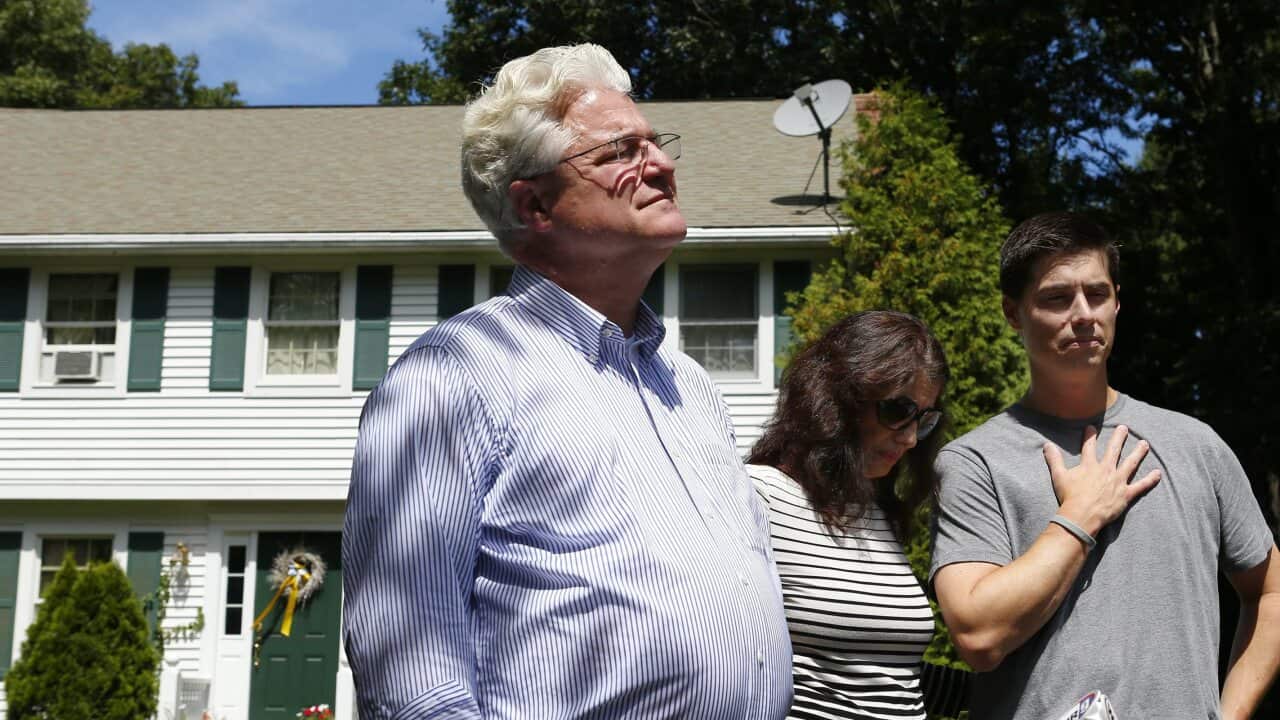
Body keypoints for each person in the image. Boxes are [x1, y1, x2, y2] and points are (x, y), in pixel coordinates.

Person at [341, 44, 792, 720]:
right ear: (535, 206)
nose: (662, 165)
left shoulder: (689, 386)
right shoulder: (456, 375)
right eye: (620, 152)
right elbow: (412, 677)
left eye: (655, 143)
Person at [930, 211, 1280, 720]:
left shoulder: (1195, 445)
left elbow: (1269, 589)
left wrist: (1232, 712)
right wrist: (1079, 517)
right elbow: (979, 636)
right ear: (1012, 312)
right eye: (1056, 297)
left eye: (1096, 294)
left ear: (1117, 300)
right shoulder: (975, 462)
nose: (1082, 314)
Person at [746, 311, 950, 720]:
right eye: (897, 411)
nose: (910, 437)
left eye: (924, 420)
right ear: (838, 397)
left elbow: (885, 675)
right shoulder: (758, 497)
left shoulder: (877, 514)